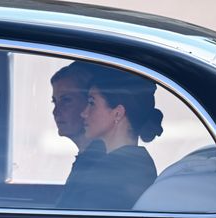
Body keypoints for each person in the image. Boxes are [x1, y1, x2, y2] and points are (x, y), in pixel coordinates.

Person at [58, 69, 164, 210]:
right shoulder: (129, 164)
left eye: (91, 103)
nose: (84, 113)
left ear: (118, 113)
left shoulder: (115, 173)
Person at [50, 61, 106, 205]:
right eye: (54, 102)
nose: (55, 112)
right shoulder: (87, 159)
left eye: (66, 100)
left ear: (90, 103)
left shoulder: (97, 166)